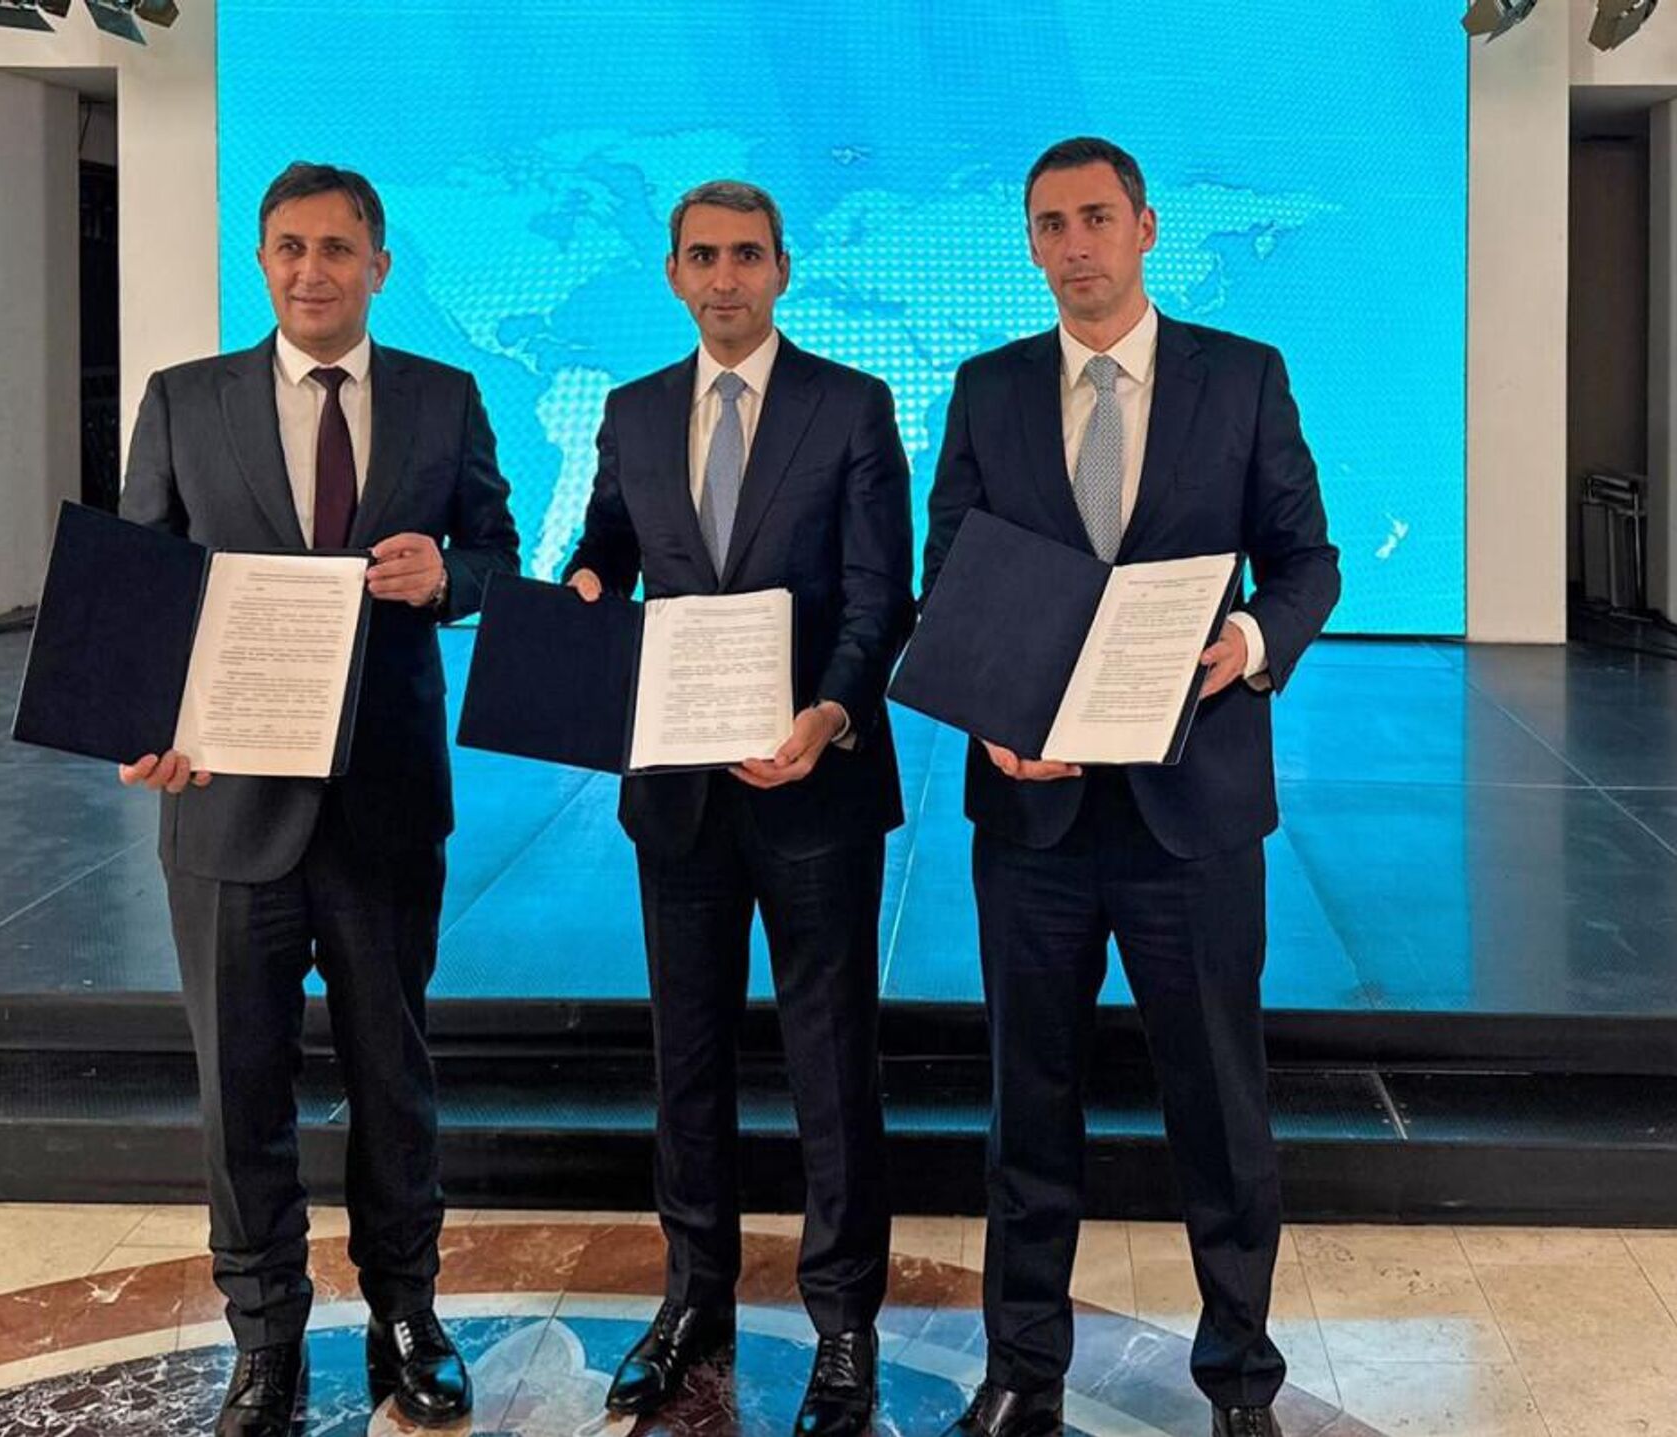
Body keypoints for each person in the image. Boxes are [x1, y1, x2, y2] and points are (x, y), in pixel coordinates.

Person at [923, 137, 1341, 1437]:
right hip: (1034, 815)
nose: (1076, 246)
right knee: (1028, 1105)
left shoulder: (1243, 378)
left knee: (1219, 1108)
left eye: (1097, 218)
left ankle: (1241, 1383)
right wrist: (994, 719)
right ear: (1031, 245)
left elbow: (1307, 563)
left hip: (1192, 811)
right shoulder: (988, 389)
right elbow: (952, 583)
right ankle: (1022, 1372)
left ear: (1147, 228)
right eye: (1051, 225)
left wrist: (1249, 642)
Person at [118, 161, 519, 1436]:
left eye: (338, 248)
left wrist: (447, 577)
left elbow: (498, 560)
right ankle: (266, 1342)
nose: (312, 269)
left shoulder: (445, 400)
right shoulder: (183, 401)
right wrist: (141, 726)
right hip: (226, 806)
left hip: (383, 804)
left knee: (394, 1081)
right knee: (241, 1091)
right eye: (289, 246)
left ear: (379, 266)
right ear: (262, 260)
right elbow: (141, 592)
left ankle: (409, 1318)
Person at [563, 180, 914, 1437]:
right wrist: (585, 589)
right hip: (679, 793)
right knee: (689, 1061)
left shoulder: (851, 406)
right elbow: (607, 547)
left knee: (832, 1064)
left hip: (815, 782)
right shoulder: (632, 411)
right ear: (673, 273)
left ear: (782, 269)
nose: (725, 277)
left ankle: (844, 1323)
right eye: (703, 256)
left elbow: (881, 594)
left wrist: (830, 713)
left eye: (747, 256)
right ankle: (691, 1303)